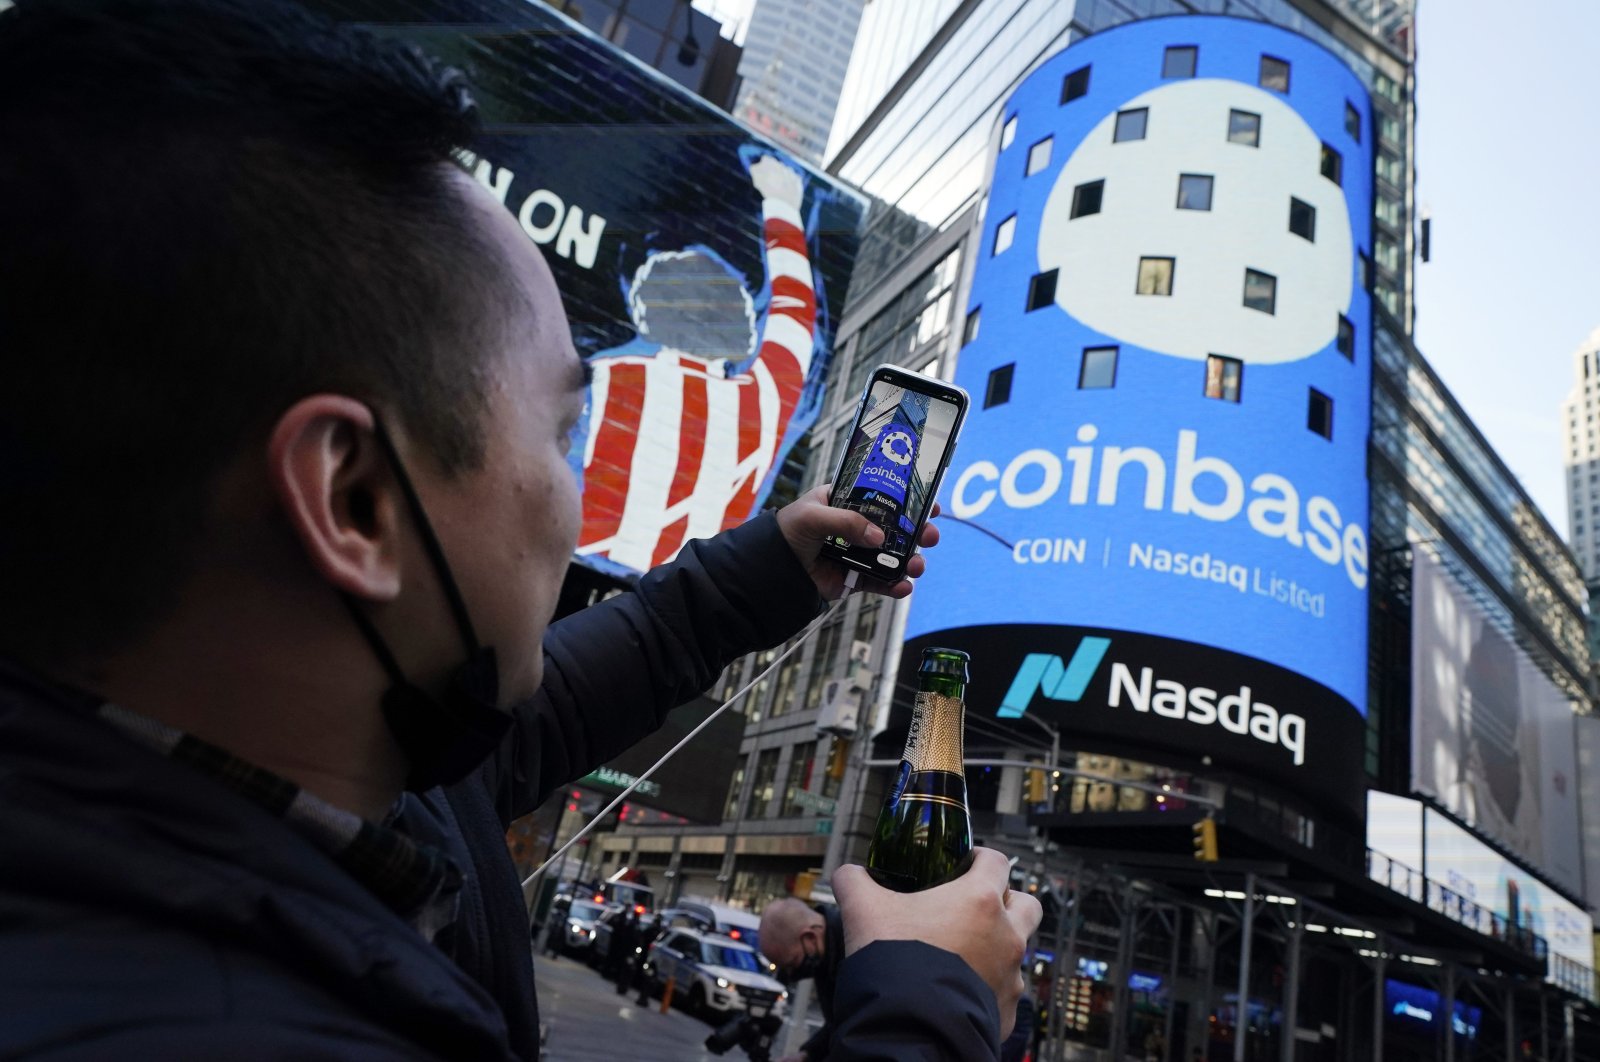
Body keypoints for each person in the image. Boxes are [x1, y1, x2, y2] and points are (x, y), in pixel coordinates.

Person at [0, 2, 1041, 1060]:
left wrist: (768, 571)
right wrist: (929, 1006)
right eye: (560, 428)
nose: (573, 493)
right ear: (357, 501)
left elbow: (561, 702)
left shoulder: (356, 769)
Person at [761, 899, 845, 1062]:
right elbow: (839, 1024)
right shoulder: (826, 958)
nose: (792, 975)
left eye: (792, 963)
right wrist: (807, 1055)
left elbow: (864, 1034)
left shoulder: (857, 952)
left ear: (810, 937)